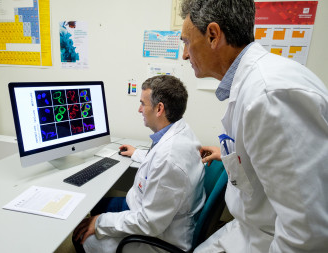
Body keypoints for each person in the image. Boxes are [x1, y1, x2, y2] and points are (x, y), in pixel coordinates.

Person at [180, 0, 328, 252]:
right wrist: (231, 154)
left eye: (186, 41)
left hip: (269, 241)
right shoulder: (256, 85)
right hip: (251, 231)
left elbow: (306, 233)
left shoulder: (269, 95)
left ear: (213, 35)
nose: (184, 54)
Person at [72, 75, 205, 253]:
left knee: (82, 237)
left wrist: (99, 223)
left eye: (143, 103)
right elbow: (158, 160)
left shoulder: (168, 159)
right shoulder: (180, 131)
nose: (139, 109)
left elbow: (148, 223)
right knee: (99, 206)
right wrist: (138, 153)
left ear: (159, 109)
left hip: (157, 237)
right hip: (153, 212)